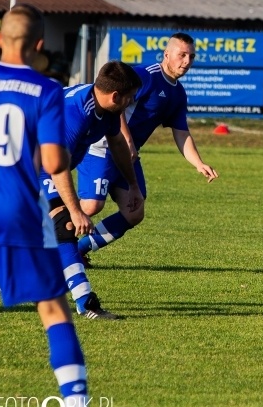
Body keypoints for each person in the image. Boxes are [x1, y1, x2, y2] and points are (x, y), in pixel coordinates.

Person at [0, 4, 89, 407]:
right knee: (52, 309)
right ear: (39, 45)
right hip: (18, 210)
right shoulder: (47, 90)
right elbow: (53, 162)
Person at [75, 33, 218, 259]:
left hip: (127, 156)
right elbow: (116, 105)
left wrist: (198, 163)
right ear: (167, 54)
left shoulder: (178, 94)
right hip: (102, 148)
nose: (186, 61)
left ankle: (78, 250)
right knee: (91, 206)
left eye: (191, 56)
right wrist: (128, 140)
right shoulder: (145, 76)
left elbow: (181, 133)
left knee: (134, 212)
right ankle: (46, 241)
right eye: (182, 55)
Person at [41, 60, 143, 320]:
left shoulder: (105, 108)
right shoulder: (75, 113)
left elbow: (118, 144)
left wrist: (132, 185)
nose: (132, 102)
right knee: (65, 222)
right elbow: (57, 167)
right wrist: (76, 211)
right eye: (130, 97)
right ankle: (85, 302)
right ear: (115, 96)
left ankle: (81, 299)